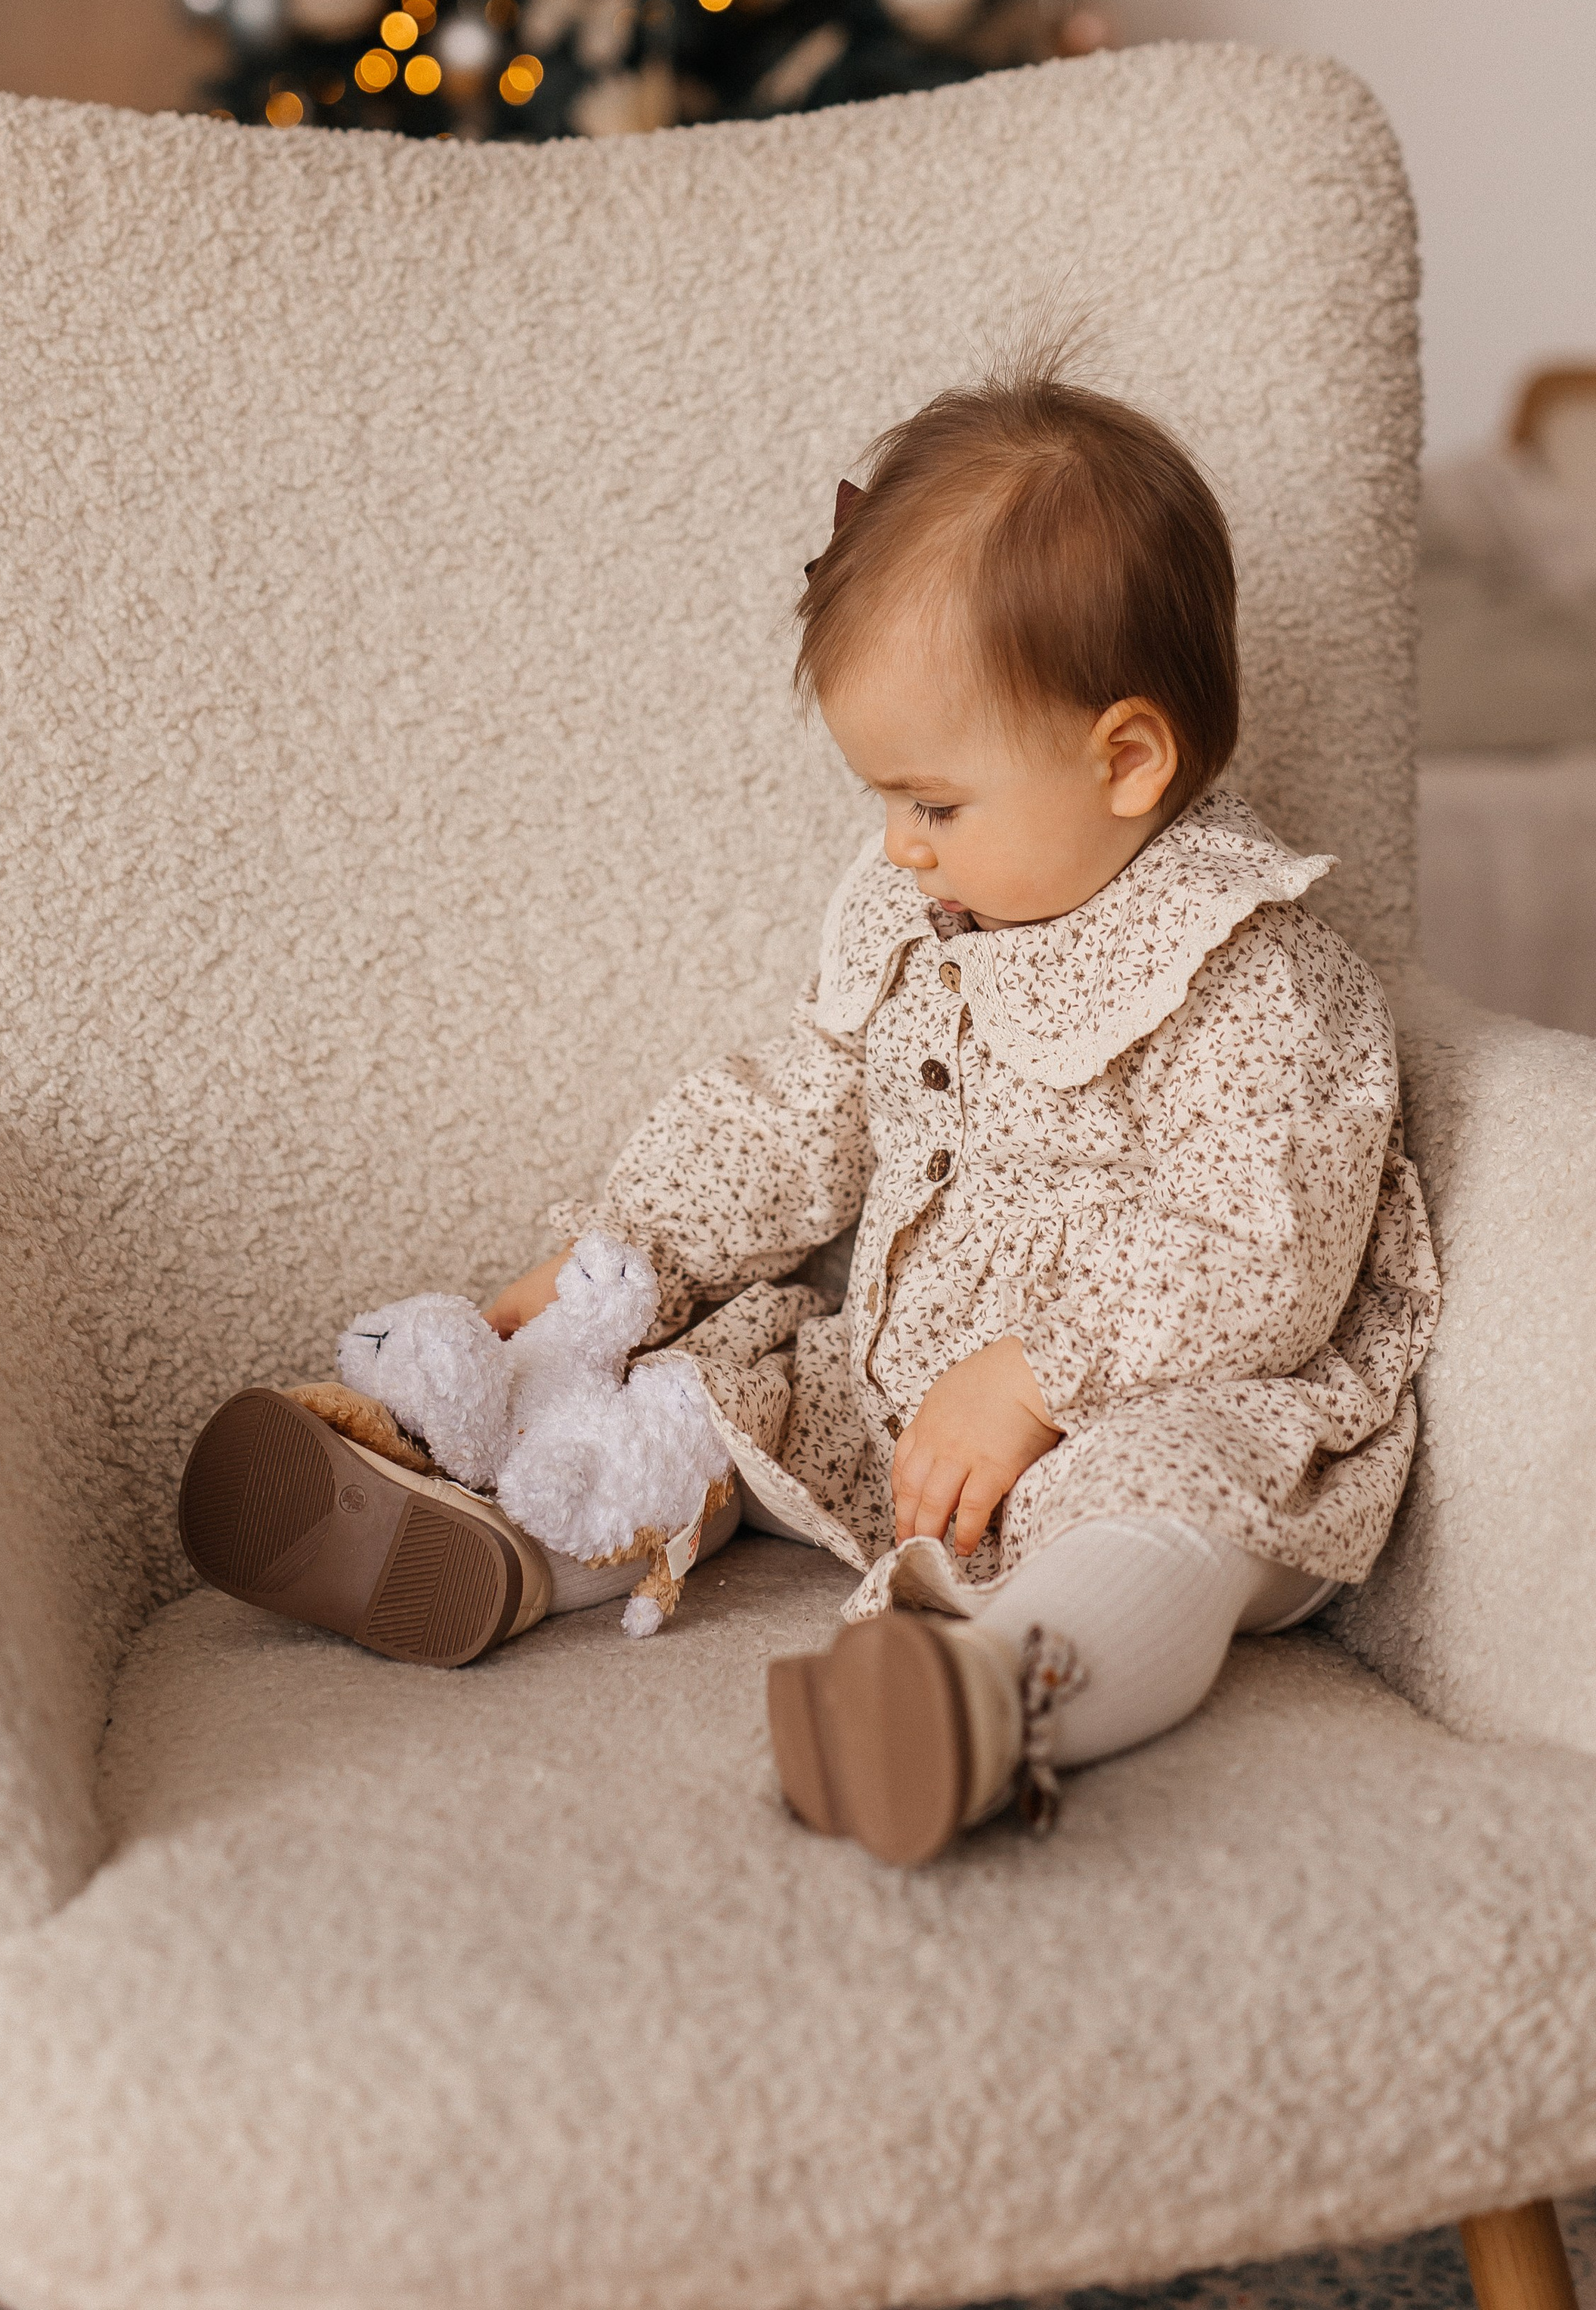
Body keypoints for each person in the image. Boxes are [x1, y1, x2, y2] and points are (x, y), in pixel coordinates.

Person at [482, 339, 1440, 1864]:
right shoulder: (918, 923)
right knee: (724, 1384)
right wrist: (627, 1258)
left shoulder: (1256, 977)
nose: (899, 847)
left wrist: (1038, 1376)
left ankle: (990, 1703)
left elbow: (1266, 1253)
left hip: (1178, 1402)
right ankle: (511, 1539)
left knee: (1150, 1518)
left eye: (931, 803)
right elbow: (796, 1113)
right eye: (883, 800)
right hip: (911, 1395)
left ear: (1124, 758)